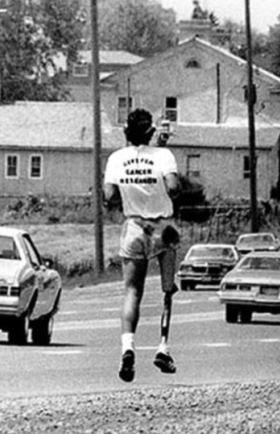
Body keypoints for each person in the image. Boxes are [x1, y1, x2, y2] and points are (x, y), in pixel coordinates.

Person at [104, 108, 181, 381]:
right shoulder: (163, 156)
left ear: (126, 132)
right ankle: (162, 346)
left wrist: (130, 192)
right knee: (167, 289)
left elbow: (109, 195)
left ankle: (128, 348)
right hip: (164, 226)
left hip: (134, 226)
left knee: (132, 291)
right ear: (151, 132)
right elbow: (173, 187)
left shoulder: (116, 159)